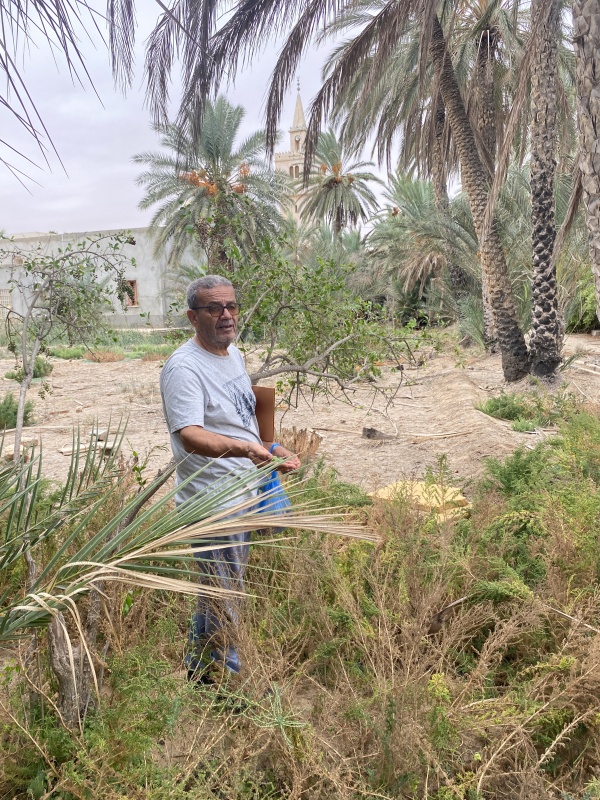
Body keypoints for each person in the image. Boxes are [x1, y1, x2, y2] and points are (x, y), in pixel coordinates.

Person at [160, 275, 300, 681]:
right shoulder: (184, 368)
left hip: (243, 492)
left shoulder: (231, 354)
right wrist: (247, 450)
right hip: (213, 503)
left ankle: (201, 672)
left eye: (232, 306)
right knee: (225, 595)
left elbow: (243, 414)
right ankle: (226, 682)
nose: (226, 315)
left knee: (219, 592)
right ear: (193, 317)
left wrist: (270, 447)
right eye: (214, 308)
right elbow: (190, 435)